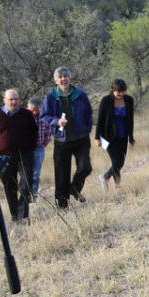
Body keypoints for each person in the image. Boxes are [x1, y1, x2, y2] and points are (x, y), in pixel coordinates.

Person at [39, 67, 93, 209]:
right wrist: (57, 121)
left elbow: (89, 113)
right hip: (61, 141)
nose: (63, 79)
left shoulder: (80, 94)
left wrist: (87, 128)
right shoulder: (50, 97)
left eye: (65, 76)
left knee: (85, 167)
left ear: (70, 78)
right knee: (62, 174)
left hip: (81, 139)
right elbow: (44, 116)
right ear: (56, 80)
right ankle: (62, 205)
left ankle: (74, 188)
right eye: (60, 77)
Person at [0, 89, 37, 223]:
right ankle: (15, 215)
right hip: (4, 157)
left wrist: (30, 147)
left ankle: (24, 215)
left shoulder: (27, 114)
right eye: (10, 99)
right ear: (4, 100)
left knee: (26, 183)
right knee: (9, 186)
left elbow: (34, 132)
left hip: (24, 154)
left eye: (16, 99)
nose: (14, 102)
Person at [95, 79, 135, 192]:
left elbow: (130, 120)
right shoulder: (106, 101)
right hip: (107, 136)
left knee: (121, 162)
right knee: (116, 162)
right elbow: (100, 120)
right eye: (118, 92)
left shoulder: (129, 100)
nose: (121, 94)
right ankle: (118, 187)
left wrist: (131, 137)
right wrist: (97, 137)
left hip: (123, 135)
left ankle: (105, 177)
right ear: (113, 90)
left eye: (123, 92)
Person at [27, 97, 52, 201]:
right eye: (31, 109)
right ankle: (25, 195)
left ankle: (33, 196)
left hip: (38, 149)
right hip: (25, 149)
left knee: (36, 174)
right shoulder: (22, 116)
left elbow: (48, 132)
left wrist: (43, 144)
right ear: (28, 107)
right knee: (25, 173)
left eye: (36, 110)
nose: (34, 112)